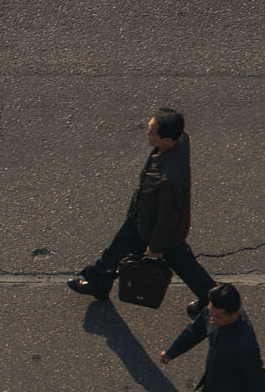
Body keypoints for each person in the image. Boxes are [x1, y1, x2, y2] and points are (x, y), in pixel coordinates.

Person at [67, 109, 216, 315]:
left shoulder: (169, 180)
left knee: (184, 265)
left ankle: (213, 301)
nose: (147, 133)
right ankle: (98, 282)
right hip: (142, 217)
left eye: (152, 132)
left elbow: (168, 217)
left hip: (159, 231)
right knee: (116, 250)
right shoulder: (180, 140)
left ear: (167, 139)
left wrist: (155, 247)